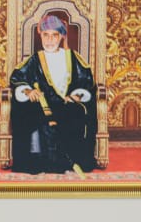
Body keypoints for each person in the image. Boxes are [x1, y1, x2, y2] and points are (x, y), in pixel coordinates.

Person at [8, 14, 98, 175]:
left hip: (67, 104)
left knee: (77, 114)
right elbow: (17, 79)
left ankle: (75, 161)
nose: (49, 40)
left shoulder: (72, 58)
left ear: (61, 36)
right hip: (43, 106)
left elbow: (86, 81)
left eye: (54, 35)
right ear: (41, 36)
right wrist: (28, 91)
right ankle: (41, 163)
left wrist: (77, 95)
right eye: (46, 35)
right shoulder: (34, 60)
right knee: (30, 116)